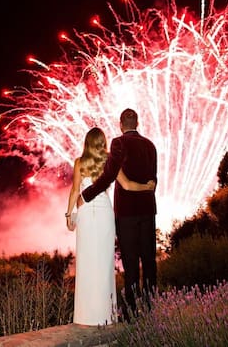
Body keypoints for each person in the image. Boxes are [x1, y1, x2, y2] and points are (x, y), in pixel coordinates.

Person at [65, 127, 154, 326]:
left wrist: (69, 214)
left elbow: (74, 191)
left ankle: (86, 316)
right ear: (103, 142)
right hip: (105, 213)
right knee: (105, 264)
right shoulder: (109, 161)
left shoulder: (79, 162)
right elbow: (128, 185)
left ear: (87, 142)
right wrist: (147, 187)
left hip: (86, 213)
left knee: (87, 262)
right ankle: (106, 315)